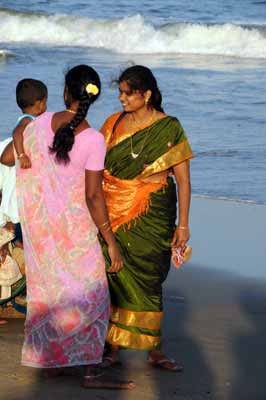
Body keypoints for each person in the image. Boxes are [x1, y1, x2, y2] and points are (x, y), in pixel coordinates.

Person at [1, 65, 134, 390]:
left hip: (43, 231)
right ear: (95, 97)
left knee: (49, 294)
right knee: (92, 296)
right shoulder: (92, 138)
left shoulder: (40, 122)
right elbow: (93, 195)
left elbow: (6, 158)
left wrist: (23, 147)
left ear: (63, 93)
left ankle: (51, 363)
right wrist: (110, 239)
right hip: (75, 231)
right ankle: (89, 371)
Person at [99, 65, 194, 371]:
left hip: (153, 214)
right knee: (115, 275)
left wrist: (183, 225)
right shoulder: (113, 124)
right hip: (113, 212)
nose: (122, 98)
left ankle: (154, 349)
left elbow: (183, 180)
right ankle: (112, 346)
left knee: (150, 278)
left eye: (129, 93)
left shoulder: (169, 127)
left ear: (147, 94)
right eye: (120, 92)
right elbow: (95, 168)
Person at [0, 78, 48, 247]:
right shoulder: (28, 121)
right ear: (40, 103)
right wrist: (21, 155)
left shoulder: (28, 120)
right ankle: (13, 237)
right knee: (16, 202)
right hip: (18, 163)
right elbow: (17, 133)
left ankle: (15, 238)